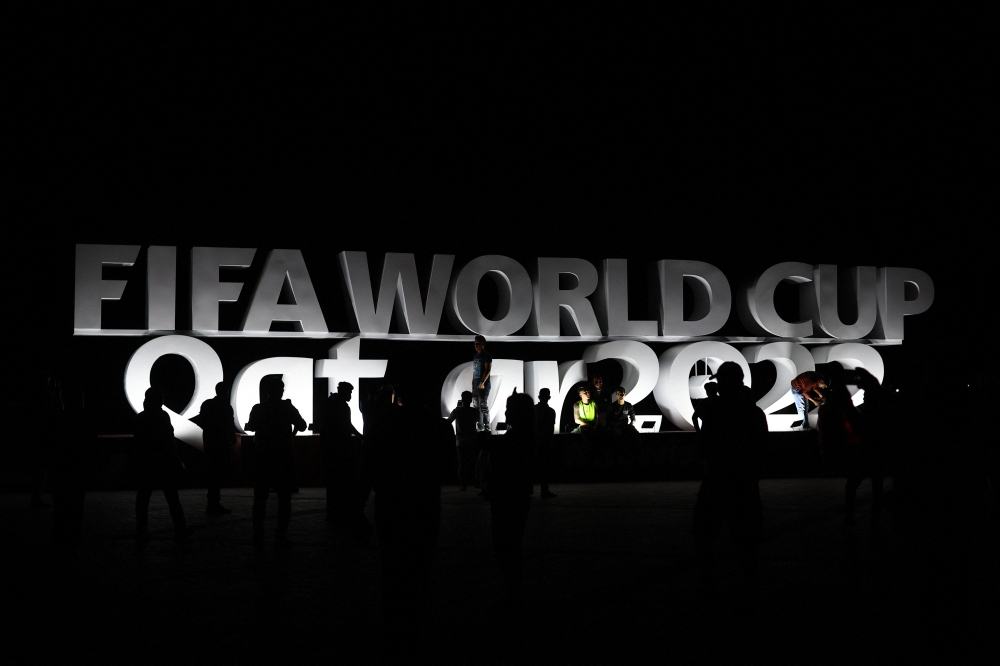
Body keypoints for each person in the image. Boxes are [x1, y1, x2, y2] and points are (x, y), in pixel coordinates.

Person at [692, 362, 767, 596]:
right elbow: (762, 449)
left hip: (717, 480)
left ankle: (708, 583)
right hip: (745, 482)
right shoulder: (753, 412)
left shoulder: (715, 410)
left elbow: (703, 447)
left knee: (703, 533)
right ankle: (748, 586)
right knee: (748, 541)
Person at [482, 389, 535, 599]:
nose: (505, 413)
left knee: (505, 544)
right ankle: (513, 588)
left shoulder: (514, 440)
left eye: (508, 409)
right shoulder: (527, 437)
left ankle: (511, 589)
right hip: (518, 496)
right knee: (512, 544)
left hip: (506, 497)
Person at [245, 377, 307, 549]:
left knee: (260, 499)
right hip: (283, 458)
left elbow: (251, 426)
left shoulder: (258, 408)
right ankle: (281, 536)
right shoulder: (287, 407)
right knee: (284, 500)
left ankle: (258, 536)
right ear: (280, 391)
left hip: (263, 457)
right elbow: (302, 426)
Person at [134, 387, 189, 542]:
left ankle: (141, 530)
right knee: (172, 498)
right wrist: (177, 460)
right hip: (164, 463)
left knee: (143, 498)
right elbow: (169, 441)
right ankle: (180, 529)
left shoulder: (141, 417)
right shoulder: (163, 416)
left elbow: (138, 442)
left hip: (147, 463)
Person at [49, 386, 98, 556]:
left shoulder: (57, 420)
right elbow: (92, 447)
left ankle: (59, 541)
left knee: (60, 508)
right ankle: (73, 540)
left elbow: (51, 448)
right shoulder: (85, 420)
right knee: (76, 507)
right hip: (78, 472)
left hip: (61, 471)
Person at [320, 381, 364, 523]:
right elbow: (347, 425)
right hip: (341, 448)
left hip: (331, 448)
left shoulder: (331, 403)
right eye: (349, 392)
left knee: (333, 484)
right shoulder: (342, 406)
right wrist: (361, 436)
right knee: (344, 481)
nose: (350, 395)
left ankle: (333, 513)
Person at [196, 382, 236, 515]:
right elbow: (230, 424)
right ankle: (214, 503)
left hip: (210, 442)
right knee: (218, 473)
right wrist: (232, 437)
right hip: (221, 443)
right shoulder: (226, 407)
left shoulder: (207, 404)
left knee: (213, 472)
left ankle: (212, 502)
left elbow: (201, 420)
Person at [447, 391, 480, 490]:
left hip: (460, 440)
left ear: (462, 399)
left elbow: (449, 421)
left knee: (462, 463)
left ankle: (463, 484)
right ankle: (474, 482)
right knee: (472, 462)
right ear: (470, 400)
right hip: (472, 439)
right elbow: (478, 420)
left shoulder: (457, 411)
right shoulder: (475, 411)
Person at [534, 388, 557, 498]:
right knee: (544, 467)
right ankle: (544, 489)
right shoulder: (551, 411)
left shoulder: (533, 410)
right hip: (545, 441)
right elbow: (550, 429)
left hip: (535, 440)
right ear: (549, 398)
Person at [608, 386, 640, 464]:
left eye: (622, 394)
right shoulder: (612, 406)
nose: (620, 395)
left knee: (637, 435)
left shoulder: (629, 405)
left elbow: (633, 418)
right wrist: (615, 425)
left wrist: (630, 425)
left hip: (626, 426)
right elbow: (608, 420)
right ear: (616, 395)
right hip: (615, 427)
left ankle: (636, 456)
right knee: (619, 437)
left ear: (625, 394)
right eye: (619, 394)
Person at [472, 335, 493, 432]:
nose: (476, 345)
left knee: (483, 405)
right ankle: (479, 426)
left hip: (483, 386)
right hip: (476, 385)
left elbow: (488, 370)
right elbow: (475, 370)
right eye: (475, 344)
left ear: (483, 344)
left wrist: (482, 382)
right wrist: (473, 382)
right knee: (476, 407)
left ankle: (487, 426)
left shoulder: (487, 355)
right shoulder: (475, 356)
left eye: (478, 344)